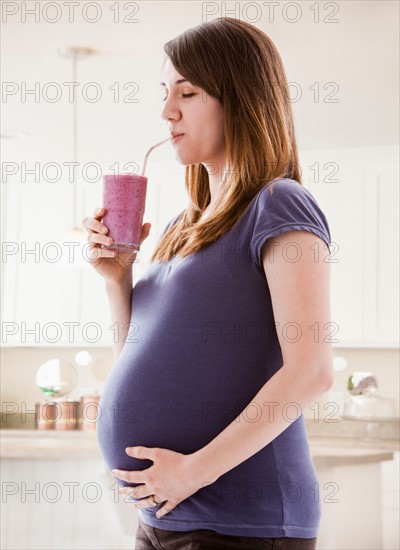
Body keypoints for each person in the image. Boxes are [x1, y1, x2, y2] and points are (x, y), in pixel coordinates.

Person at [83, 17, 333, 550]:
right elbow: (137, 352)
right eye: (166, 93)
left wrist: (193, 472)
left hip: (239, 524)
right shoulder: (182, 225)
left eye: (189, 92)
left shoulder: (278, 202)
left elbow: (311, 372)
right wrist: (116, 279)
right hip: (165, 517)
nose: (167, 111)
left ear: (240, 100)